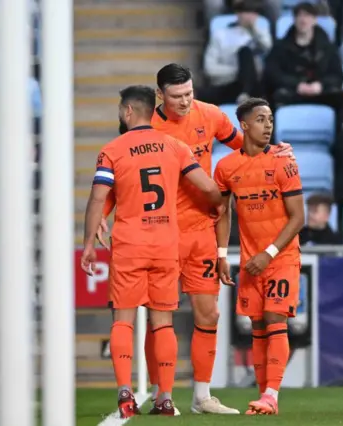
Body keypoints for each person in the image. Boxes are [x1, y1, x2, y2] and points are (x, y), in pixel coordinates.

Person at [98, 64, 293, 414]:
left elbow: (244, 146)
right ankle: (162, 392)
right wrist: (101, 214)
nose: (186, 101)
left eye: (189, 93)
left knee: (209, 312)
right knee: (158, 315)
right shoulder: (147, 125)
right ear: (160, 96)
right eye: (177, 96)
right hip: (161, 233)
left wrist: (275, 150)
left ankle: (202, 396)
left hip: (201, 229)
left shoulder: (212, 115)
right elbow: (120, 172)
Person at [80, 86, 224, 417]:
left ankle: (125, 395)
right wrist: (216, 206)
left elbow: (99, 198)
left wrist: (89, 241)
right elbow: (207, 187)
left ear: (128, 111)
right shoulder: (176, 147)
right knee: (163, 323)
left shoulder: (113, 150)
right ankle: (165, 397)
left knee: (124, 320)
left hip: (130, 244)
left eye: (120, 109)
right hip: (165, 244)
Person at [214, 97, 305, 415]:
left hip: (280, 256)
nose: (268, 125)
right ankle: (263, 398)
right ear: (244, 125)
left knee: (275, 320)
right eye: (261, 119)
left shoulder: (283, 162)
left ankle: (271, 394)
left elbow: (298, 217)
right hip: (250, 260)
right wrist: (222, 253)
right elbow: (222, 211)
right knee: (256, 327)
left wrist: (269, 253)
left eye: (270, 119)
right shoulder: (226, 167)